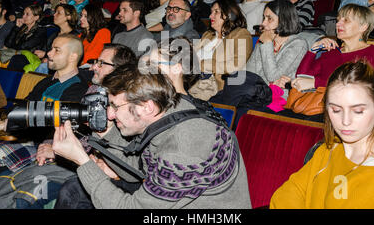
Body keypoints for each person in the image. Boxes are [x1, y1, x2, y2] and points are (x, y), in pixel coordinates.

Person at [51, 61, 252, 209]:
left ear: (147, 107)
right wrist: (107, 132)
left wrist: (82, 161)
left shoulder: (185, 148)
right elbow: (138, 171)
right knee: (75, 191)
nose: (110, 114)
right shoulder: (171, 108)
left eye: (115, 106)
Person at [270, 60, 374, 209]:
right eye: (336, 110)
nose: (345, 121)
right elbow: (287, 193)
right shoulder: (329, 148)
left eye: (358, 111)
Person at [36, 43, 136, 167]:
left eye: (101, 63)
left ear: (120, 69)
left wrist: (56, 152)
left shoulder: (125, 102)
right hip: (67, 154)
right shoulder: (94, 89)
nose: (93, 67)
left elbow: (101, 144)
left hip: (89, 164)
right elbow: (73, 123)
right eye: (96, 62)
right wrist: (50, 143)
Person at [0, 33, 89, 133]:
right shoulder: (46, 81)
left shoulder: (79, 87)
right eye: (51, 48)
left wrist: (5, 125)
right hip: (21, 132)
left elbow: (58, 124)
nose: (49, 53)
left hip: (41, 143)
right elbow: (23, 106)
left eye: (57, 50)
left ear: (72, 57)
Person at [289, 4, 374, 93]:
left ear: (363, 27)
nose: (338, 24)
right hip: (319, 104)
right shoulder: (331, 53)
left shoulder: (373, 52)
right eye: (338, 20)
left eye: (346, 20)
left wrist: (316, 83)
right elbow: (302, 77)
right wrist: (312, 50)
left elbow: (368, 87)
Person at [191, 0, 253, 100]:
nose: (210, 16)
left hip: (214, 86)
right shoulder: (208, 35)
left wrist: (202, 64)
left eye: (216, 12)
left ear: (229, 14)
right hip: (193, 80)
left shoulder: (241, 34)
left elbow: (236, 66)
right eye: (211, 12)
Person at [245, 0, 307, 99]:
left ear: (283, 20)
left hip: (278, 99)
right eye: (264, 18)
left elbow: (272, 76)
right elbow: (249, 73)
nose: (264, 23)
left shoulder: (298, 44)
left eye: (269, 19)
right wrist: (271, 83)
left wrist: (267, 43)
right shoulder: (265, 41)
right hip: (256, 94)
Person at [34, 4, 80, 74]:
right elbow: (45, 49)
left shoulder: (74, 37)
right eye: (55, 12)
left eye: (58, 13)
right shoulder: (54, 35)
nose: (54, 15)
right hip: (46, 63)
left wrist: (46, 56)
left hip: (61, 67)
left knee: (43, 67)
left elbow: (69, 57)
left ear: (69, 17)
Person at [4, 4, 47, 71]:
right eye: (23, 14)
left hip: (30, 58)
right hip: (18, 55)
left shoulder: (40, 31)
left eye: (27, 14)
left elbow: (24, 46)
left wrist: (13, 48)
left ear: (36, 17)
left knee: (18, 59)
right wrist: (16, 28)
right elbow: (7, 44)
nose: (23, 16)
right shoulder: (21, 29)